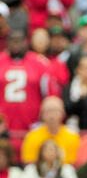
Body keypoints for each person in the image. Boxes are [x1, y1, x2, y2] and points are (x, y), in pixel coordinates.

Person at [0, 29, 60, 158]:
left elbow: (51, 96)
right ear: (6, 43)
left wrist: (45, 120)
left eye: (19, 40)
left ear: (26, 42)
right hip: (3, 129)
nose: (16, 44)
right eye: (12, 40)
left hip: (33, 126)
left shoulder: (40, 63)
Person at [21, 96, 80, 165]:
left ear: (63, 114)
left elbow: (74, 163)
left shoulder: (73, 137)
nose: (52, 115)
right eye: (48, 111)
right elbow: (29, 163)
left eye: (55, 111)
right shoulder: (32, 137)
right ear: (41, 114)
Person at [63, 56, 87, 131]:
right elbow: (67, 109)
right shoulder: (69, 88)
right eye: (85, 68)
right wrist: (81, 98)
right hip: (74, 127)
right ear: (78, 70)